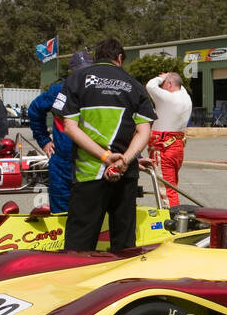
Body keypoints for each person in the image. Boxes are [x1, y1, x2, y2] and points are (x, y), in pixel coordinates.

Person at [53, 38, 155, 252]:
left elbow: (69, 126)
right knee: (124, 244)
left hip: (89, 173)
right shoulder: (135, 85)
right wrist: (124, 159)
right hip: (125, 173)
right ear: (119, 58)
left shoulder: (76, 80)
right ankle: (121, 283)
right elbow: (144, 131)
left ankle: (77, 283)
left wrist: (104, 157)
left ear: (96, 58)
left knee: (79, 245)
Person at [27, 50, 92, 213]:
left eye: (87, 70)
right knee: (62, 213)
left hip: (92, 161)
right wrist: (44, 140)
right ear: (71, 72)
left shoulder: (98, 91)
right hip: (63, 162)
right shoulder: (58, 91)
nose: (83, 75)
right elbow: (34, 110)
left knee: (92, 212)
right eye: (79, 71)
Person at [145, 71, 191, 207]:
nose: (161, 88)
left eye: (164, 85)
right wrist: (170, 76)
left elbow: (150, 86)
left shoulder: (168, 99)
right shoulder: (186, 97)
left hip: (164, 148)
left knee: (166, 191)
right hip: (177, 146)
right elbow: (180, 85)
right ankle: (174, 215)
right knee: (172, 186)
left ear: (170, 84)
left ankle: (172, 219)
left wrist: (162, 78)